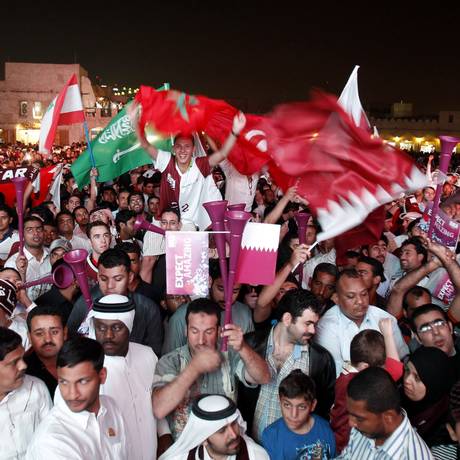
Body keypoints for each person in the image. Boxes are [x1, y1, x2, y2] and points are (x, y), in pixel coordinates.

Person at [152, 298, 270, 439]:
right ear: (185, 330)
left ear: (219, 331)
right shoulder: (170, 361)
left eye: (208, 332)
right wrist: (194, 368)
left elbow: (263, 377)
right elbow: (159, 409)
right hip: (185, 447)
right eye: (194, 331)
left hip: (225, 443)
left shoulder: (230, 355)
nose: (201, 340)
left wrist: (243, 348)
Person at [132, 103, 246, 230]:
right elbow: (145, 145)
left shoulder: (199, 164)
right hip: (167, 221)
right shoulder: (166, 160)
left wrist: (235, 132)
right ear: (173, 149)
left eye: (187, 147)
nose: (183, 150)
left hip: (189, 224)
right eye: (179, 146)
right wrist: (136, 122)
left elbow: (222, 153)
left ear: (193, 149)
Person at [246, 289, 336, 441]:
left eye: (315, 324)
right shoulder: (250, 345)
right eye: (308, 323)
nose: (313, 330)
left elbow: (322, 409)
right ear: (287, 319)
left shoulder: (321, 360)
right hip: (250, 446)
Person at [26, 336, 129, 459]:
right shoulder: (52, 442)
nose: (72, 394)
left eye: (82, 381)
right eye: (64, 382)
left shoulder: (111, 407)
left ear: (102, 375)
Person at [88, 294, 163, 460]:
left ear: (129, 327)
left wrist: (164, 434)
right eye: (101, 328)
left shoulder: (147, 355)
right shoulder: (88, 370)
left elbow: (157, 399)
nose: (108, 335)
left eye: (116, 328)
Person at [67, 248, 163, 356]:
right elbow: (70, 340)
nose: (110, 286)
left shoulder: (148, 308)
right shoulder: (84, 304)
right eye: (104, 279)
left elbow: (155, 352)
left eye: (117, 279)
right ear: (98, 276)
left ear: (130, 277)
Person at [315, 269, 408, 376]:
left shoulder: (384, 318)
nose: (360, 301)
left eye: (364, 294)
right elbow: (336, 374)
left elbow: (400, 361)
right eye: (351, 296)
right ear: (337, 298)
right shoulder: (326, 327)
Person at [331, 323, 404, 453]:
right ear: (365, 367)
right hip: (346, 442)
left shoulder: (348, 372)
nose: (383, 372)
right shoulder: (353, 383)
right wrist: (388, 334)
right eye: (380, 369)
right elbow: (396, 371)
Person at [337, 367, 433, 459]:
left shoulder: (414, 456)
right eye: (350, 414)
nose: (351, 423)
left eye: (359, 418)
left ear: (388, 417)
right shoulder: (361, 429)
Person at [162, 259, 253, 354]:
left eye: (234, 291)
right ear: (209, 281)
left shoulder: (244, 313)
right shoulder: (181, 316)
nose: (227, 297)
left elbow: (251, 356)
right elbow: (169, 361)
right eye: (221, 289)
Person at [159, 394, 269, 460]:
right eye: (221, 430)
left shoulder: (257, 456)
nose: (234, 434)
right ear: (203, 439)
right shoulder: (180, 458)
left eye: (234, 423)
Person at [0, 327, 52, 459]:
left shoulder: (36, 389)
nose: (23, 365)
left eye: (22, 358)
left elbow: (51, 441)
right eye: (14, 362)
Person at [261, 370, 336, 459]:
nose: (294, 415)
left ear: (313, 405)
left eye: (301, 407)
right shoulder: (271, 436)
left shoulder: (328, 431)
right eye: (287, 405)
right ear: (280, 401)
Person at [403, 346, 457, 458]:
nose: (407, 380)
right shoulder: (395, 398)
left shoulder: (445, 428)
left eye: (417, 378)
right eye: (407, 371)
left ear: (434, 383)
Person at [5, 215, 51, 301]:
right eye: (30, 230)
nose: (36, 233)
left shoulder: (54, 255)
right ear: (22, 234)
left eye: (39, 229)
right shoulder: (12, 264)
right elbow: (10, 297)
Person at [24, 305, 67, 397]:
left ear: (65, 333)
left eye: (54, 332)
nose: (48, 339)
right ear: (29, 337)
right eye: (39, 334)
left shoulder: (81, 358)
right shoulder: (23, 370)